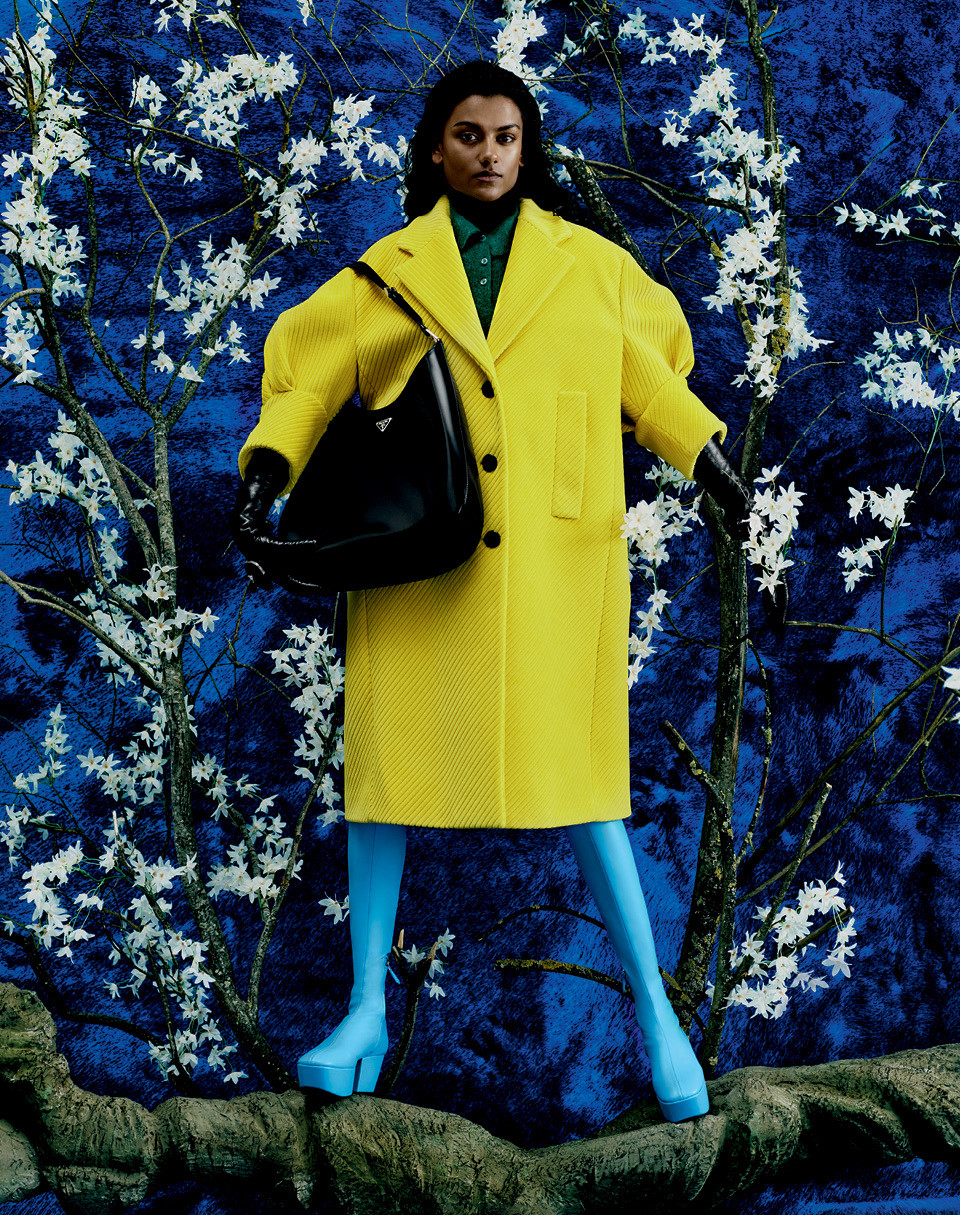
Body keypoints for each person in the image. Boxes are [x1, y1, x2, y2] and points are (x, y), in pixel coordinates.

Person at [231, 60, 750, 1123]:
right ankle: (364, 1010)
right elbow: (310, 376)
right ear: (436, 146)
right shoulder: (388, 274)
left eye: (506, 137)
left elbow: (649, 379)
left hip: (555, 569)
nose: (489, 154)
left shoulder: (587, 266)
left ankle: (658, 1017)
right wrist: (266, 473)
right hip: (420, 569)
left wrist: (712, 462)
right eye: (469, 135)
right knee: (385, 787)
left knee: (588, 790)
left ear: (528, 147)